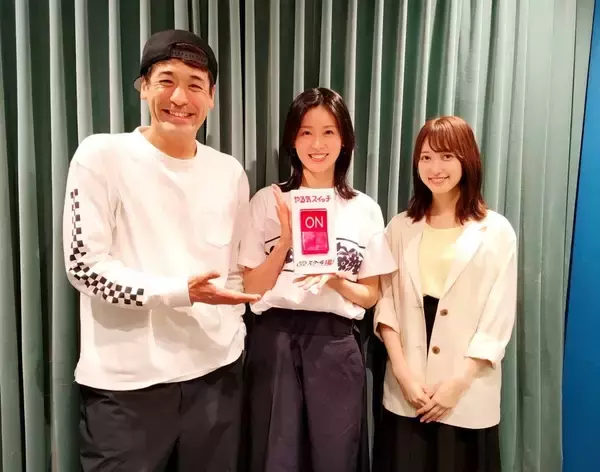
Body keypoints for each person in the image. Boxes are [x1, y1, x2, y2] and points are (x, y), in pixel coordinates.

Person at [62, 29, 259, 472]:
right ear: (144, 87)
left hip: (217, 378)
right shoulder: (101, 155)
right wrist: (179, 291)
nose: (180, 97)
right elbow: (83, 267)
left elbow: (233, 273)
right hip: (126, 388)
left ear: (212, 97)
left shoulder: (229, 172)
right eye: (166, 80)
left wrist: (233, 336)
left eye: (195, 84)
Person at [238, 87, 397, 472]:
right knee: (275, 457)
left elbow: (370, 296)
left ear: (345, 140)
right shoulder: (267, 201)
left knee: (334, 457)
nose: (317, 144)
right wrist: (285, 243)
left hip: (336, 344)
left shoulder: (364, 208)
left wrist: (334, 279)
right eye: (306, 132)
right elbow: (250, 289)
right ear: (292, 141)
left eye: (328, 132)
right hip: (274, 340)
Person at [372, 115, 517, 471]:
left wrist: (458, 383)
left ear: (467, 160)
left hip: (466, 391)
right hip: (408, 390)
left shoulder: (496, 231)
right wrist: (403, 375)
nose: (435, 168)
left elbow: (497, 318)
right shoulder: (400, 227)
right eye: (426, 157)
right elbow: (386, 304)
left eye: (447, 156)